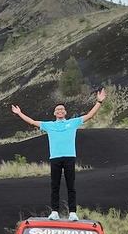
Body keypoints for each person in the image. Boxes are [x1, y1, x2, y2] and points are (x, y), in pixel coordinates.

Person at [11, 88, 106, 221]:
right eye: (57, 109)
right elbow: (32, 122)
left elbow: (90, 115)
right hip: (55, 158)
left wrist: (99, 102)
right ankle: (55, 211)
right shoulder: (49, 125)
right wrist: (19, 113)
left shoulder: (72, 122)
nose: (60, 110)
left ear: (65, 112)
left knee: (70, 186)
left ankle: (72, 212)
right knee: (55, 186)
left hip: (69, 157)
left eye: (62, 109)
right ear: (54, 113)